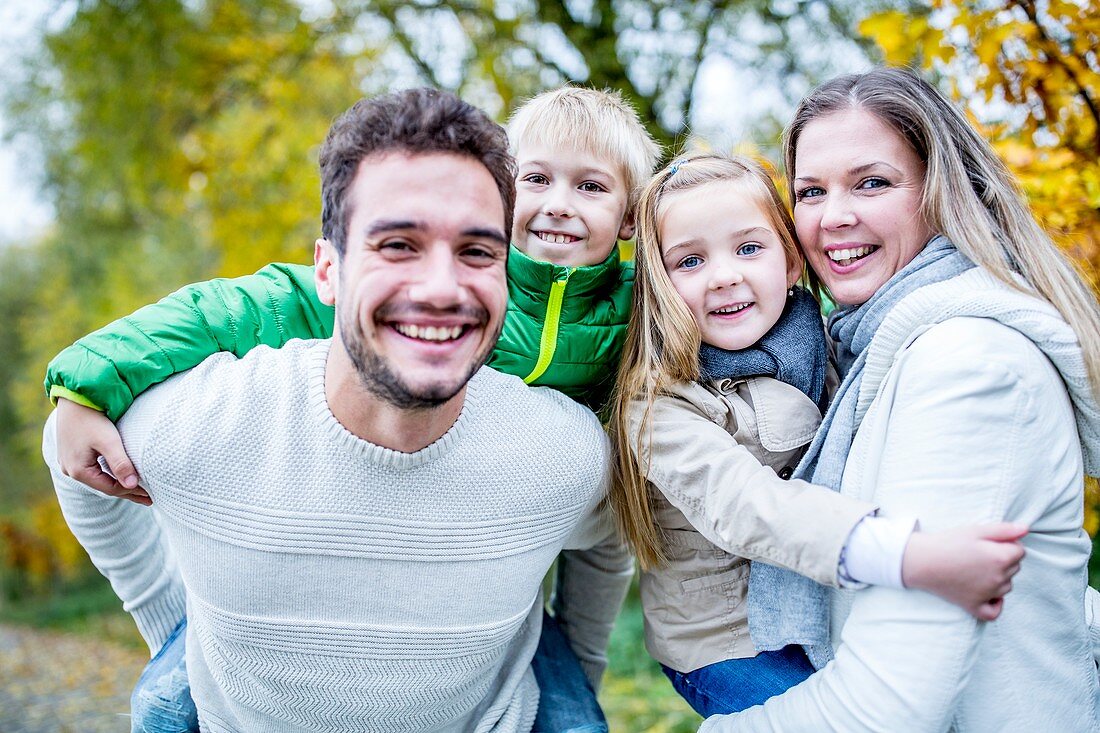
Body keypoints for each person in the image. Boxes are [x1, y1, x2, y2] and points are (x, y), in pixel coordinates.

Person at [44, 85, 657, 732]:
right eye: (398, 245)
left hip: (500, 643)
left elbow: (610, 526)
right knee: (163, 706)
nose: (441, 287)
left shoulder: (613, 362)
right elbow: (226, 313)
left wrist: (580, 678)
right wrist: (86, 384)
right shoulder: (212, 417)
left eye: (475, 252)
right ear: (329, 270)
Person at [700, 67, 1100, 731]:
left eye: (872, 182)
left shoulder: (965, 364)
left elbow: (888, 701)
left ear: (943, 192)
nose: (834, 217)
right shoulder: (873, 354)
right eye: (811, 191)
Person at [607, 152, 1029, 717]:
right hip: (733, 644)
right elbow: (752, 509)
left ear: (790, 262)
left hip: (825, 604)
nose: (725, 274)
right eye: (690, 261)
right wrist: (909, 556)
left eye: (749, 248)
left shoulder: (823, 350)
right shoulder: (660, 405)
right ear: (659, 285)